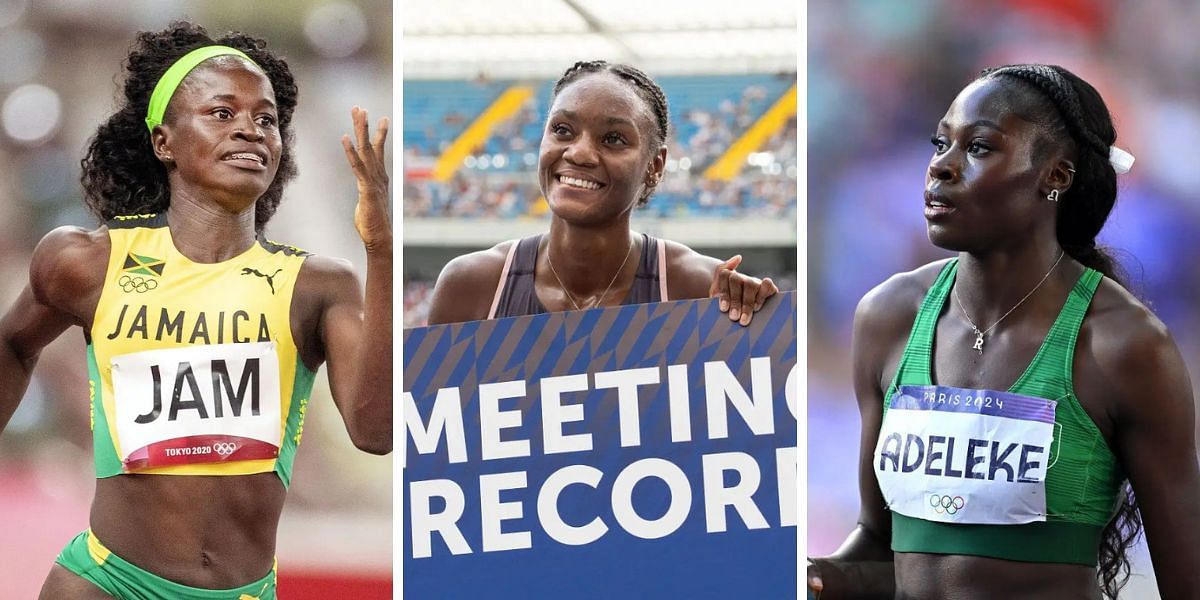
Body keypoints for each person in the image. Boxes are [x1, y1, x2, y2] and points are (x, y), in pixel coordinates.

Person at [0, 22, 391, 599]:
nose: (250, 130)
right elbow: (14, 344)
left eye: (266, 119)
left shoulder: (316, 285)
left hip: (244, 591)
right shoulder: (85, 263)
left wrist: (381, 249)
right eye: (222, 112)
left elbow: (376, 432)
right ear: (164, 142)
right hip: (105, 583)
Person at [808, 64, 1200, 598]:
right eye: (940, 143)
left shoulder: (1124, 345)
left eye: (979, 148)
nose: (941, 167)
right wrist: (810, 577)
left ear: (1055, 176)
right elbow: (879, 543)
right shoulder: (888, 317)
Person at [426, 60, 779, 325]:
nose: (578, 153)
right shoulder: (472, 287)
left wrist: (757, 328)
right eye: (562, 130)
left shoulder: (699, 290)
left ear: (654, 166)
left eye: (613, 139)